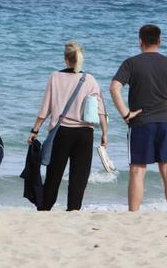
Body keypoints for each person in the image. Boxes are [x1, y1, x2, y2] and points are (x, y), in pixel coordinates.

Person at [110, 24, 167, 212]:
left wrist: (125, 113)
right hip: (164, 122)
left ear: (140, 41)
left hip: (141, 123)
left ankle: (134, 215)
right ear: (159, 41)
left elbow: (114, 87)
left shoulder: (131, 63)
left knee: (137, 170)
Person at [27, 41, 109, 211]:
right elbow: (100, 109)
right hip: (85, 134)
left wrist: (35, 130)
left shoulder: (55, 77)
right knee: (79, 177)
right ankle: (73, 210)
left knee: (53, 176)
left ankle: (45, 209)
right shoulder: (90, 79)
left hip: (61, 133)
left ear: (65, 58)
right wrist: (105, 134)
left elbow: (46, 107)